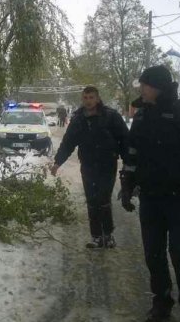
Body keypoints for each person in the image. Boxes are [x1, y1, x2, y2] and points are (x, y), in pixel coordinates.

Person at [118, 65, 180, 322]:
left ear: (157, 86)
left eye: (144, 85)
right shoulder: (142, 117)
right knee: (154, 253)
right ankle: (161, 301)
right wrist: (127, 184)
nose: (141, 89)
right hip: (151, 198)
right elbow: (133, 154)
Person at [50, 86, 128, 249]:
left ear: (98, 99)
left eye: (91, 97)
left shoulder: (111, 116)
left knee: (103, 199)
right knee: (92, 200)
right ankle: (96, 236)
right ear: (82, 99)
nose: (88, 101)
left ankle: (108, 235)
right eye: (85, 98)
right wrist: (58, 162)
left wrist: (129, 163)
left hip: (107, 164)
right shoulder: (78, 119)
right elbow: (68, 142)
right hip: (88, 165)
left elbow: (125, 140)